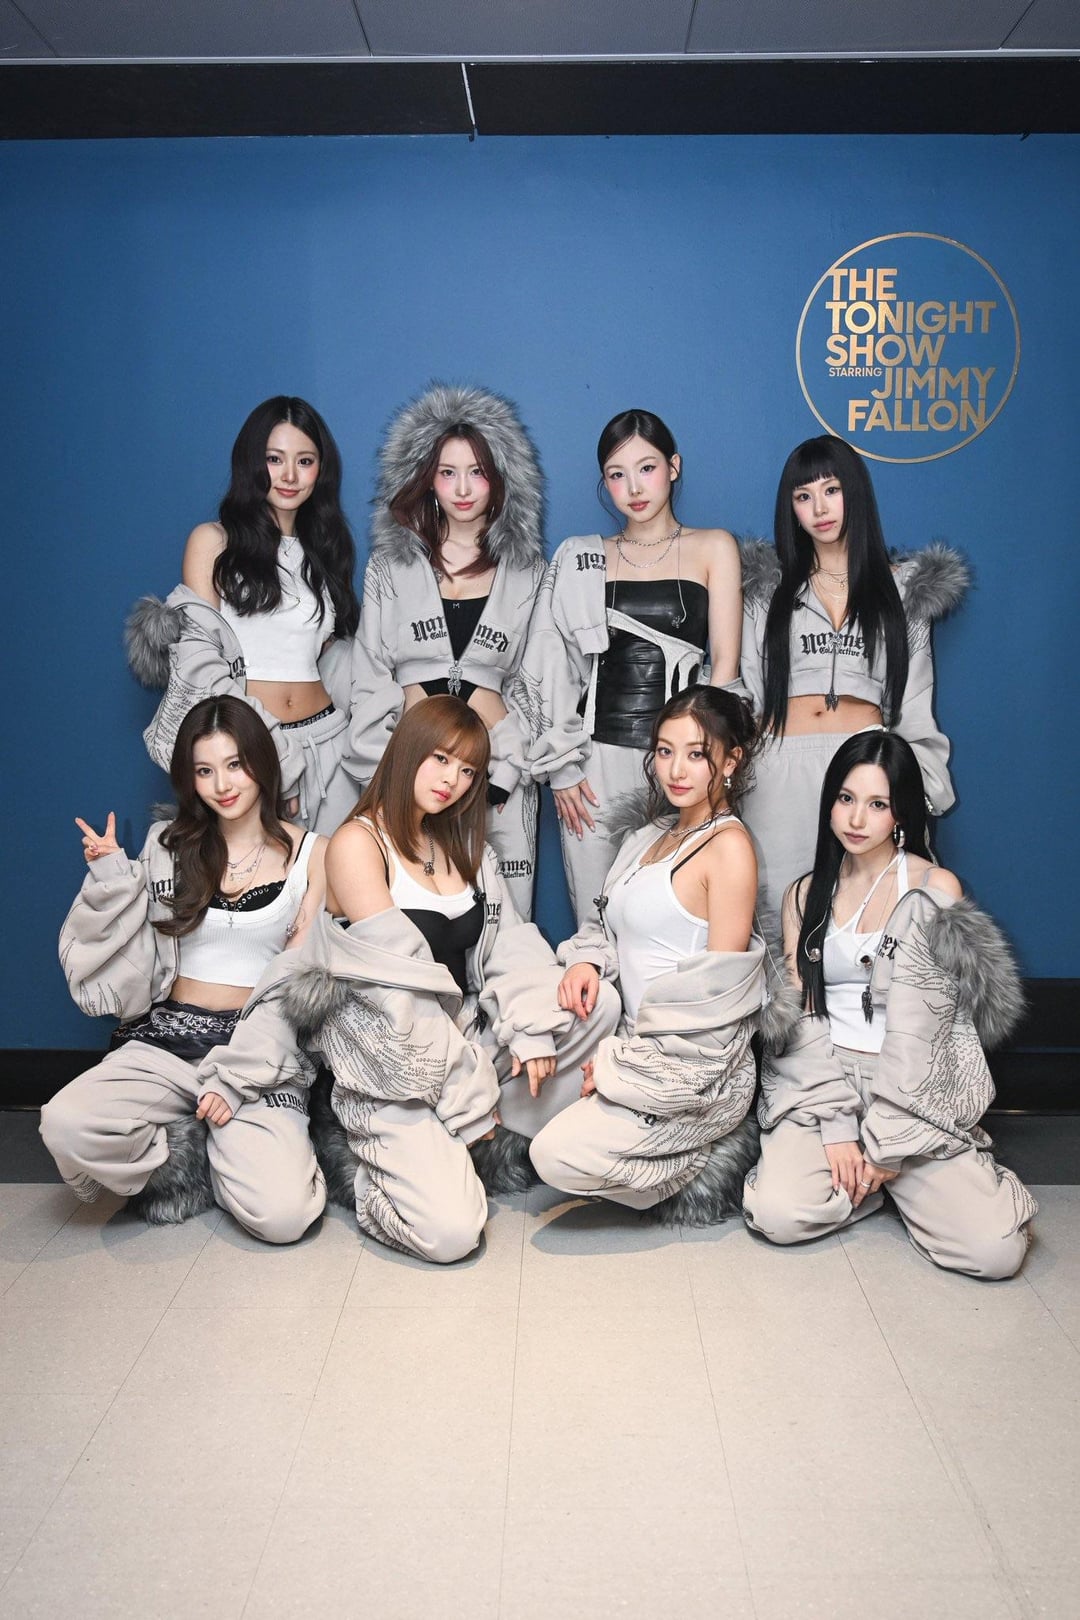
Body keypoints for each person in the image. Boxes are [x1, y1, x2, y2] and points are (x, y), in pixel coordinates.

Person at [270, 696, 620, 1263]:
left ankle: (474, 1126)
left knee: (596, 1004)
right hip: (393, 1060)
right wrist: (468, 1097)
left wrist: (530, 1028)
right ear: (408, 751)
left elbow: (511, 945)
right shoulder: (359, 844)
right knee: (453, 1234)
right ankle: (388, 1169)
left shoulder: (464, 848)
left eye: (468, 771)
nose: (452, 780)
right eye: (440, 759)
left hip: (468, 1041)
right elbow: (397, 1000)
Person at [743, 732, 1036, 1279]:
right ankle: (876, 1189)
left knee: (994, 1252)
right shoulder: (804, 895)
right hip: (823, 1079)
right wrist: (837, 1125)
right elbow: (800, 1015)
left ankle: (893, 1181)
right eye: (846, 798)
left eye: (877, 804)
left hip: (908, 1085)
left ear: (900, 812)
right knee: (777, 1215)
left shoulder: (933, 888)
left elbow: (925, 1030)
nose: (856, 819)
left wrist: (887, 1145)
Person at [41, 697, 328, 1243]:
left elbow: (301, 978)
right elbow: (129, 953)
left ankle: (241, 1149)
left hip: (255, 1052)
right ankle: (187, 1154)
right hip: (167, 1042)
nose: (222, 784)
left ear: (261, 762)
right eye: (204, 770)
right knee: (65, 1124)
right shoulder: (166, 845)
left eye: (235, 764)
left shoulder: (315, 853)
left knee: (284, 1217)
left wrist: (240, 1077)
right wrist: (112, 878)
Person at [530, 686, 765, 1221]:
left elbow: (717, 1004)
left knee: (552, 1156)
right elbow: (604, 923)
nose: (675, 770)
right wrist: (587, 961)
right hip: (621, 1041)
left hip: (690, 1067)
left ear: (731, 761)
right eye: (664, 751)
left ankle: (694, 1167)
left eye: (697, 754)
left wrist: (622, 1071)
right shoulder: (648, 835)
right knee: (518, 1093)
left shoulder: (729, 847)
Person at [739, 433, 967, 939]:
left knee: (873, 925)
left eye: (832, 490)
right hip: (778, 772)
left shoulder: (902, 590)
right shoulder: (766, 591)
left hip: (865, 771)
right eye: (803, 496)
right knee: (779, 922)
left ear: (855, 493)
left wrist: (914, 789)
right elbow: (747, 692)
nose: (819, 508)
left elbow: (914, 702)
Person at [521, 408, 743, 927]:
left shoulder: (714, 547)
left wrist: (708, 766)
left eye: (647, 468)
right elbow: (551, 662)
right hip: (596, 764)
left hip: (685, 760)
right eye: (617, 475)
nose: (634, 488)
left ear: (673, 466)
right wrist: (563, 768)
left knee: (679, 915)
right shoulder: (582, 557)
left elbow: (725, 672)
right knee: (596, 919)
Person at [347, 383, 545, 916]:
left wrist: (505, 772)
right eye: (447, 472)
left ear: (501, 479)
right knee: (407, 912)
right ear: (426, 479)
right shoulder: (391, 565)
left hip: (497, 772)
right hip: (408, 768)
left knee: (499, 918)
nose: (462, 488)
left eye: (477, 472)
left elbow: (538, 682)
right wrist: (390, 773)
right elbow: (369, 673)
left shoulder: (529, 572)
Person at [126, 396, 361, 835]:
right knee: (249, 874)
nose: (289, 475)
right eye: (274, 459)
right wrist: (270, 757)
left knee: (338, 876)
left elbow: (330, 659)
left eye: (305, 461)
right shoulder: (213, 542)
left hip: (330, 743)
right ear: (251, 461)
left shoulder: (326, 551)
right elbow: (202, 667)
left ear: (321, 470)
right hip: (249, 749)